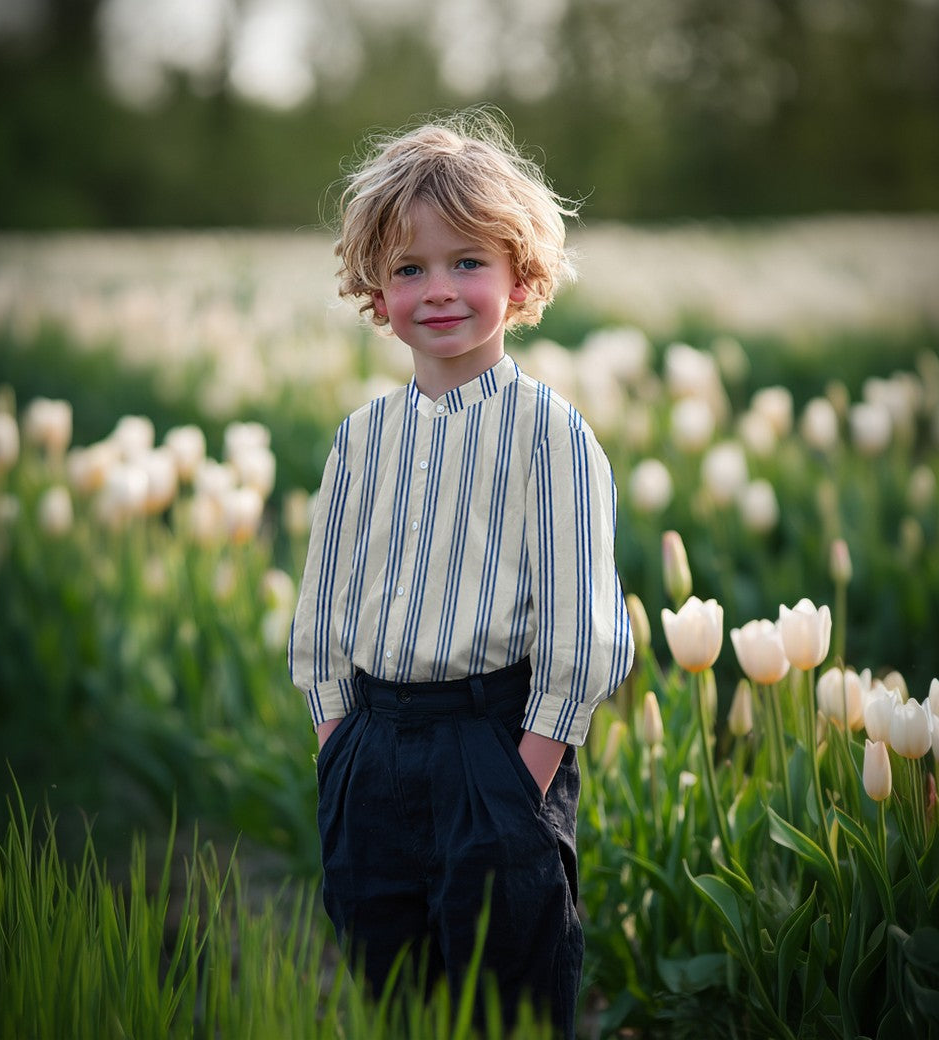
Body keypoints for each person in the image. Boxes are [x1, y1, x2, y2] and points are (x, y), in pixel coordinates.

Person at [288, 107, 634, 1038]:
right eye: (409, 269)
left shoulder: (551, 434)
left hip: (495, 748)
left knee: (505, 995)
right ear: (376, 292)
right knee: (391, 986)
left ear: (521, 280)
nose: (438, 290)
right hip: (370, 748)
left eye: (467, 262)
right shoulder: (362, 439)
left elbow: (582, 629)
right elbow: (324, 609)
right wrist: (338, 745)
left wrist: (523, 779)